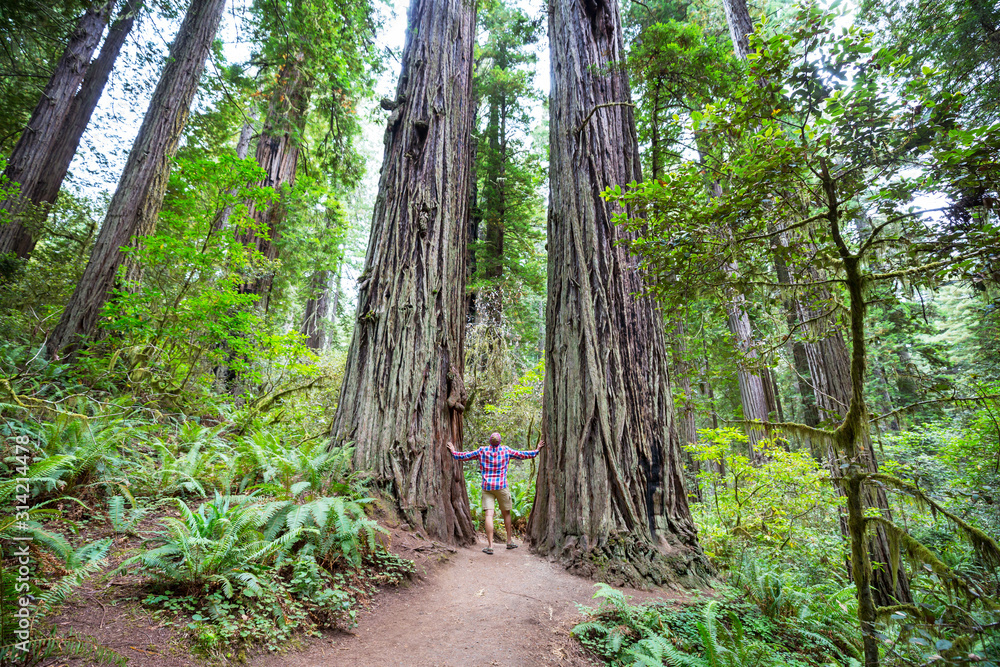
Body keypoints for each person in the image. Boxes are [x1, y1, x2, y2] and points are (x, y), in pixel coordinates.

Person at [447, 432, 545, 555]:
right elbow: (523, 455)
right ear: (500, 442)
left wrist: (454, 451)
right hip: (502, 487)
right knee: (506, 513)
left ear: (490, 441)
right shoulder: (506, 450)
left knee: (489, 514)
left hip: (487, 487)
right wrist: (537, 450)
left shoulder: (482, 451)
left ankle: (490, 546)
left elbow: (464, 456)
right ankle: (509, 542)